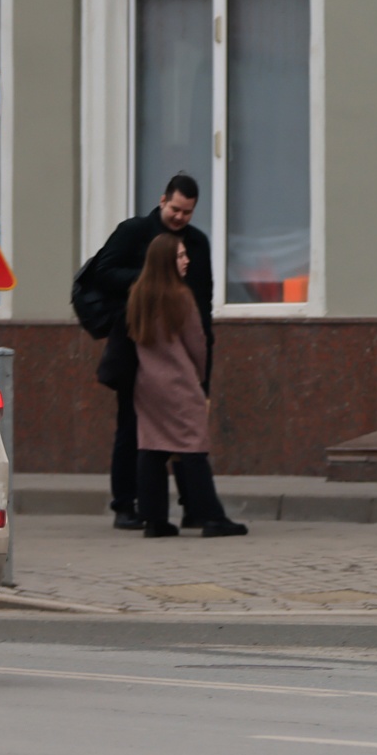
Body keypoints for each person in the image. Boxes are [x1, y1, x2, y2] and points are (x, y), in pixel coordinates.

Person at [89, 174, 213, 530]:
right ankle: (125, 505)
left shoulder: (197, 244)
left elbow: (203, 303)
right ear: (162, 200)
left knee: (185, 430)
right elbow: (102, 272)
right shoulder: (133, 232)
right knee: (133, 428)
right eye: (175, 209)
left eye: (187, 212)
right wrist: (152, 279)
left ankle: (191, 507)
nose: (180, 217)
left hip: (182, 351)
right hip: (135, 346)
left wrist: (205, 367)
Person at [124, 231, 246, 539]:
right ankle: (211, 518)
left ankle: (154, 521)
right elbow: (197, 342)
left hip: (147, 383)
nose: (186, 260)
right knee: (193, 448)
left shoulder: (138, 293)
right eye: (179, 255)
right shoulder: (180, 296)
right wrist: (199, 376)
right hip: (179, 382)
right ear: (166, 260)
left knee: (152, 448)